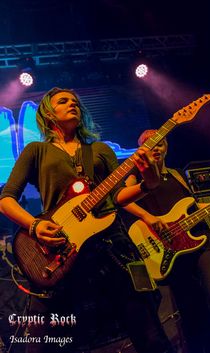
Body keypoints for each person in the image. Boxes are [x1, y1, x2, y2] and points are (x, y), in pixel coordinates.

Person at [0, 89, 175, 353]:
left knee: (148, 331)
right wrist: (35, 225)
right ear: (48, 113)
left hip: (112, 246)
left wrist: (148, 184)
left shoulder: (100, 149)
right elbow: (6, 199)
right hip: (62, 249)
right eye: (63, 101)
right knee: (52, 342)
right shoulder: (37, 150)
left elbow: (117, 196)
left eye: (75, 102)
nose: (73, 104)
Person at [124, 129, 210, 353]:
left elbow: (192, 208)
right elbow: (123, 201)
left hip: (201, 243)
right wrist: (148, 217)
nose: (156, 147)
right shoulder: (136, 176)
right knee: (191, 312)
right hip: (170, 251)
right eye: (150, 143)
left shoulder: (176, 174)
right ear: (141, 150)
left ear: (166, 147)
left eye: (160, 143)